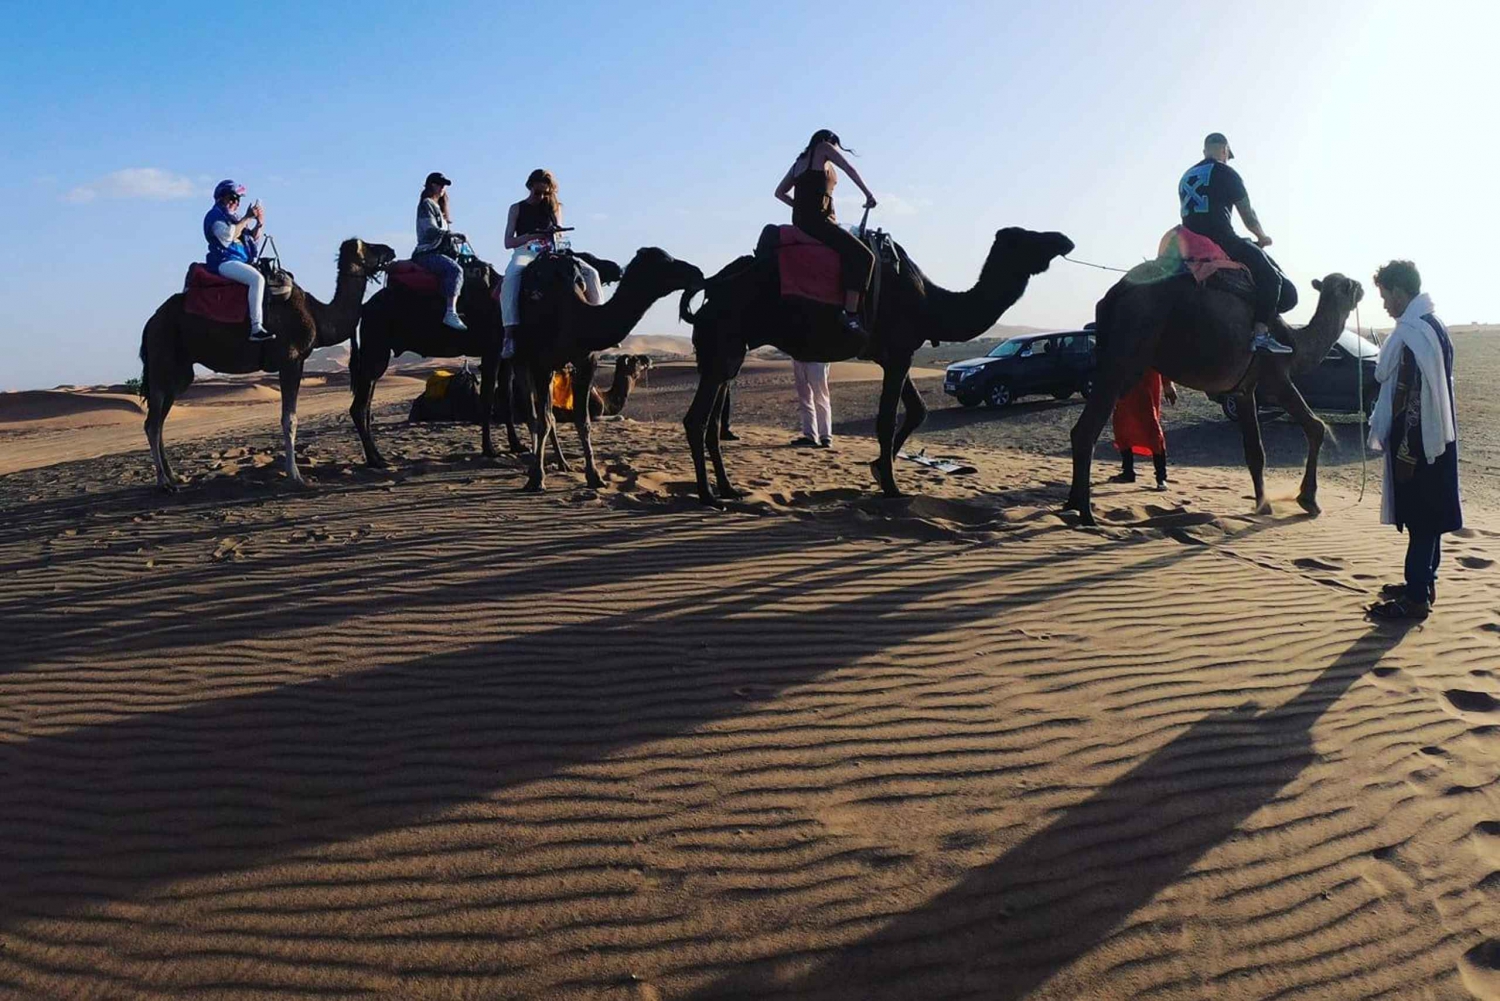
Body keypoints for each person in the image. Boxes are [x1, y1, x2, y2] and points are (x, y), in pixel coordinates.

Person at [1367, 260, 1461, 621]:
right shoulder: (1430, 326)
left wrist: (1408, 450)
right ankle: (1422, 583)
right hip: (1434, 438)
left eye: (1385, 296)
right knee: (1429, 517)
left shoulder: (1414, 334)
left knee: (1422, 519)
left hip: (1420, 441)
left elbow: (1416, 396)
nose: (1384, 304)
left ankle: (1416, 598)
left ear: (1399, 292)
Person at [1178, 133, 1293, 355]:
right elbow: (1248, 215)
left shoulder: (1186, 176)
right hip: (1222, 241)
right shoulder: (1226, 173)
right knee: (1272, 279)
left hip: (1188, 244)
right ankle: (1261, 334)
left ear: (1204, 151)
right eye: (1227, 155)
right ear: (1224, 150)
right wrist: (1262, 236)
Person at [774, 129, 878, 340]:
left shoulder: (799, 162)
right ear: (830, 141)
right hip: (819, 223)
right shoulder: (824, 147)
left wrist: (800, 207)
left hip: (802, 222)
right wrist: (868, 194)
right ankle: (850, 314)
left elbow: (779, 193)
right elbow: (849, 168)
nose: (836, 151)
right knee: (865, 256)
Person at [500, 169, 603, 360]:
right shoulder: (517, 208)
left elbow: (560, 236)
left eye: (545, 193)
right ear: (530, 187)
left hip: (552, 250)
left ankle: (599, 325)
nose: (540, 197)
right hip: (527, 250)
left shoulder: (555, 207)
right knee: (511, 278)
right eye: (537, 192)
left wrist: (554, 232)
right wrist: (530, 236)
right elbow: (508, 242)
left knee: (591, 273)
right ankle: (509, 334)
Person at [203, 179, 271, 342]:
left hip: (241, 260)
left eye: (238, 199)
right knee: (257, 279)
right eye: (233, 198)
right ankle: (256, 327)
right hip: (224, 262)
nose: (236, 202)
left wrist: (259, 223)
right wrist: (247, 217)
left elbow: (251, 238)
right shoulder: (215, 217)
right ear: (222, 198)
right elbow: (229, 236)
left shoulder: (235, 218)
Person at [413, 172, 468, 331]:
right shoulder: (426, 204)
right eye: (440, 184)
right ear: (432, 185)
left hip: (439, 252)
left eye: (444, 185)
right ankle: (450, 312)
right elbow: (429, 229)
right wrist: (452, 234)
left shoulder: (438, 207)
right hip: (426, 254)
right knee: (455, 270)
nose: (443, 187)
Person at [1109, 369, 1176, 490]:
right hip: (1124, 384)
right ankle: (1128, 471)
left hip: (1145, 383)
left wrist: (1168, 383)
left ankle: (1161, 476)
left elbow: (1162, 359)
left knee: (1151, 429)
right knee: (1121, 427)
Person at [791, 360, 833, 448]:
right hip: (799, 359)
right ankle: (810, 435)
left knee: (820, 397)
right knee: (805, 398)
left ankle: (825, 436)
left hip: (817, 359)